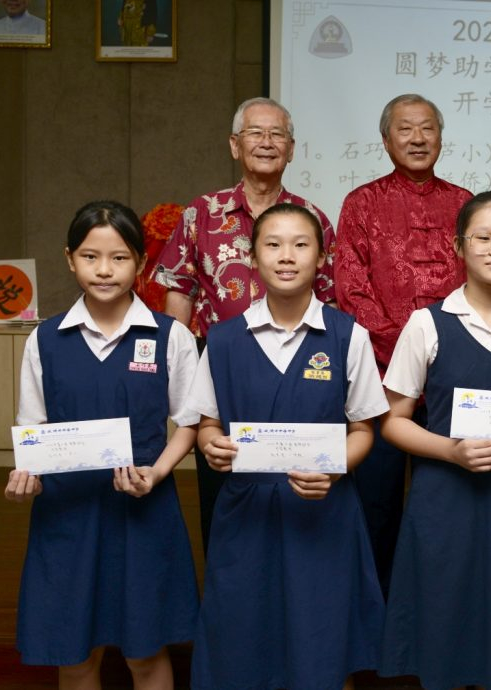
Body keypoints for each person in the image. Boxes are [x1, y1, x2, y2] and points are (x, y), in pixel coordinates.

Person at [188, 203, 386, 690]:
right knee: (242, 640)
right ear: (252, 257)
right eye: (272, 244)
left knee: (324, 642)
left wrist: (335, 470)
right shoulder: (225, 339)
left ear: (321, 258)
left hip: (323, 510)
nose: (286, 256)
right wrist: (213, 446)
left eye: (301, 245)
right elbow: (207, 425)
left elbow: (364, 430)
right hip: (246, 512)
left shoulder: (346, 335)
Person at [4, 200, 199, 689]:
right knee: (75, 652)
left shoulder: (170, 336)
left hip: (144, 510)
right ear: (70, 259)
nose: (105, 270)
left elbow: (191, 424)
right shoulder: (44, 340)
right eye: (91, 257)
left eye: (119, 257)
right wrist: (24, 477)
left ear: (140, 262)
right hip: (66, 515)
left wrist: (157, 471)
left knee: (145, 651)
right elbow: (33, 427)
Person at [378, 191, 491, 689]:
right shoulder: (427, 324)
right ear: (459, 246)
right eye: (483, 238)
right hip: (444, 503)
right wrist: (451, 451)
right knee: (444, 625)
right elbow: (393, 420)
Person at [154, 96, 336, 552]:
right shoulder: (201, 213)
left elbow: (331, 302)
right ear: (235, 145)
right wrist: (176, 374)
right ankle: (228, 590)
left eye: (278, 135)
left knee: (293, 485)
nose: (267, 143)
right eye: (255, 133)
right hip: (221, 368)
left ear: (292, 150)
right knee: (224, 480)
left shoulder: (314, 219)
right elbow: (179, 294)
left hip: (297, 366)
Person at [334, 93, 473, 593]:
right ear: (386, 139)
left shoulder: (464, 204)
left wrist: (443, 357)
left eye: (427, 128)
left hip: (452, 381)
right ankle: (375, 617)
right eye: (405, 129)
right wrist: (410, 350)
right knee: (377, 501)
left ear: (441, 136)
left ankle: (439, 608)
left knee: (448, 501)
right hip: (381, 378)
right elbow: (350, 290)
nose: (417, 139)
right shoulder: (361, 204)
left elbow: (479, 285)